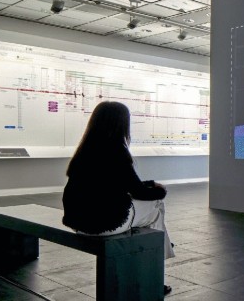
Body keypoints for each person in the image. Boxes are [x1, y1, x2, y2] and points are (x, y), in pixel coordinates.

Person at [62, 101, 175, 296]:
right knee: (156, 205)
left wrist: (146, 185)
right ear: (122, 123)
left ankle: (161, 245)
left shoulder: (85, 150)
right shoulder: (117, 150)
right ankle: (156, 265)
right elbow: (138, 192)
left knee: (148, 210)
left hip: (77, 221)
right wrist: (161, 190)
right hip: (105, 223)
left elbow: (119, 183)